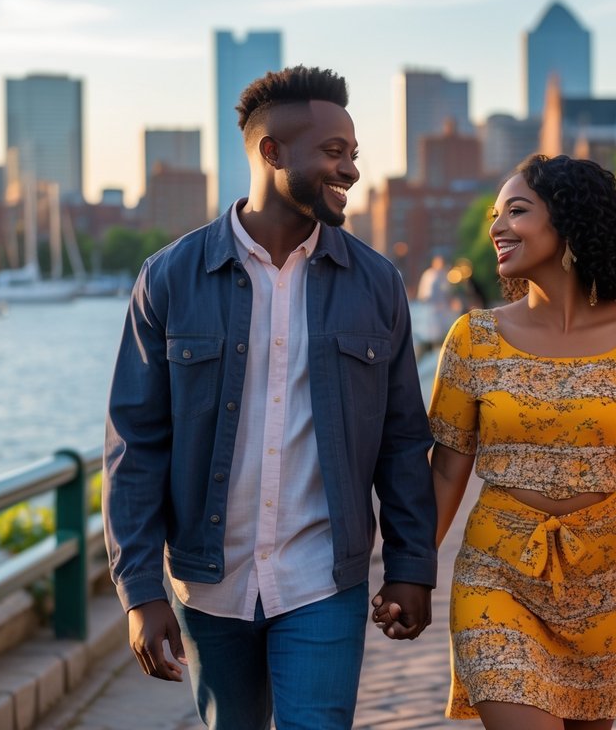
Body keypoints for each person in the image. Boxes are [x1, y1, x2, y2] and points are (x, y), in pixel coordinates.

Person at [103, 65, 438, 730]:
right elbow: (134, 445)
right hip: (207, 584)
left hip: (322, 579)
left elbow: (402, 440)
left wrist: (410, 566)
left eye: (353, 154)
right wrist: (140, 592)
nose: (349, 170)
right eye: (333, 153)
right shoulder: (170, 278)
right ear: (271, 152)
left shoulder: (376, 284)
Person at [378, 153, 616, 729]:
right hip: (495, 574)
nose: (497, 227)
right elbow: (448, 469)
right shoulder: (474, 338)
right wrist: (411, 568)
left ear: (571, 221)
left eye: (516, 211)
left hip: (602, 586)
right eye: (495, 216)